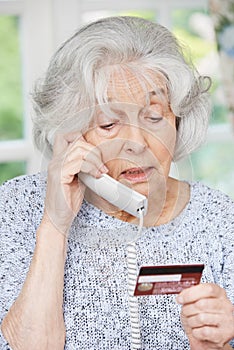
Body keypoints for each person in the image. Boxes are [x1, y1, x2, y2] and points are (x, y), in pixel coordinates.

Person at [0, 16, 233, 350]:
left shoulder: (219, 218)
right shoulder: (13, 207)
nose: (137, 143)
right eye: (109, 123)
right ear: (71, 131)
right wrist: (55, 223)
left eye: (154, 117)